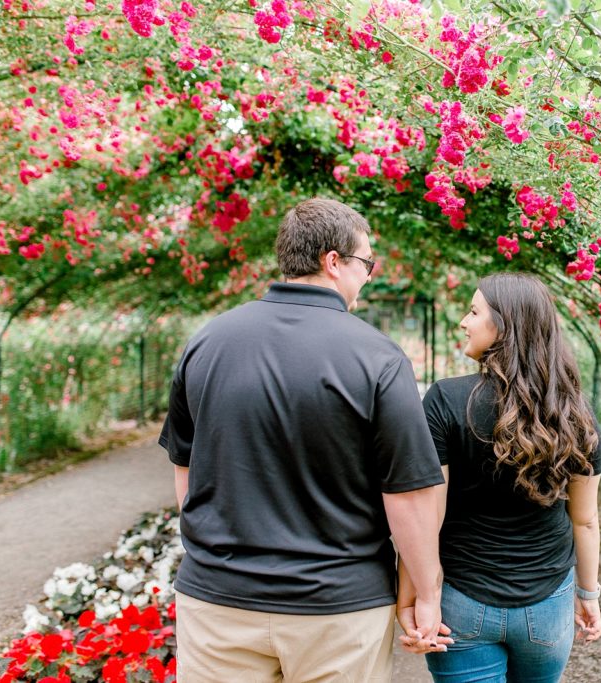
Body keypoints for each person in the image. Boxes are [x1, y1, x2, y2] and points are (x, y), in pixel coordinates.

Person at [159, 197, 448, 682]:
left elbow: (185, 470)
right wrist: (427, 591)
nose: (369, 276)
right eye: (366, 263)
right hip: (338, 609)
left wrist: (211, 553)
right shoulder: (377, 357)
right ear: (333, 262)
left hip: (218, 603)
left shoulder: (207, 342)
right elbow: (408, 495)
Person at [398, 272, 601, 683]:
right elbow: (585, 519)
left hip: (461, 599)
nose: (463, 321)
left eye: (474, 312)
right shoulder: (574, 412)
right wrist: (588, 594)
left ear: (504, 326)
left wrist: (416, 599)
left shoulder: (445, 400)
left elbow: (425, 517)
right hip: (547, 604)